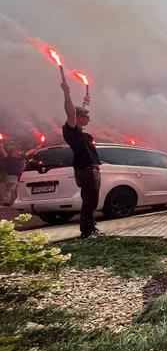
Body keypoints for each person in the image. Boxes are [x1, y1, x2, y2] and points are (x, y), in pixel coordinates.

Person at [61, 81, 101, 239]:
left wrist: (86, 101)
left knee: (92, 202)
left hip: (92, 171)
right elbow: (70, 112)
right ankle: (86, 232)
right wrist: (66, 93)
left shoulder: (82, 133)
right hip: (85, 171)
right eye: (86, 117)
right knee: (89, 202)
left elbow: (80, 111)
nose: (89, 119)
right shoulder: (71, 131)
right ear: (77, 118)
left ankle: (91, 228)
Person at [0, 140, 43, 206]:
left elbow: (28, 152)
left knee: (20, 188)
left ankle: (18, 201)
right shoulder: (9, 158)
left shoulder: (20, 158)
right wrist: (1, 146)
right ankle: (6, 202)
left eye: (19, 151)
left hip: (20, 176)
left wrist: (36, 148)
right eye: (17, 152)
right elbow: (3, 152)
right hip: (12, 176)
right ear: (13, 153)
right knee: (10, 189)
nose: (19, 152)